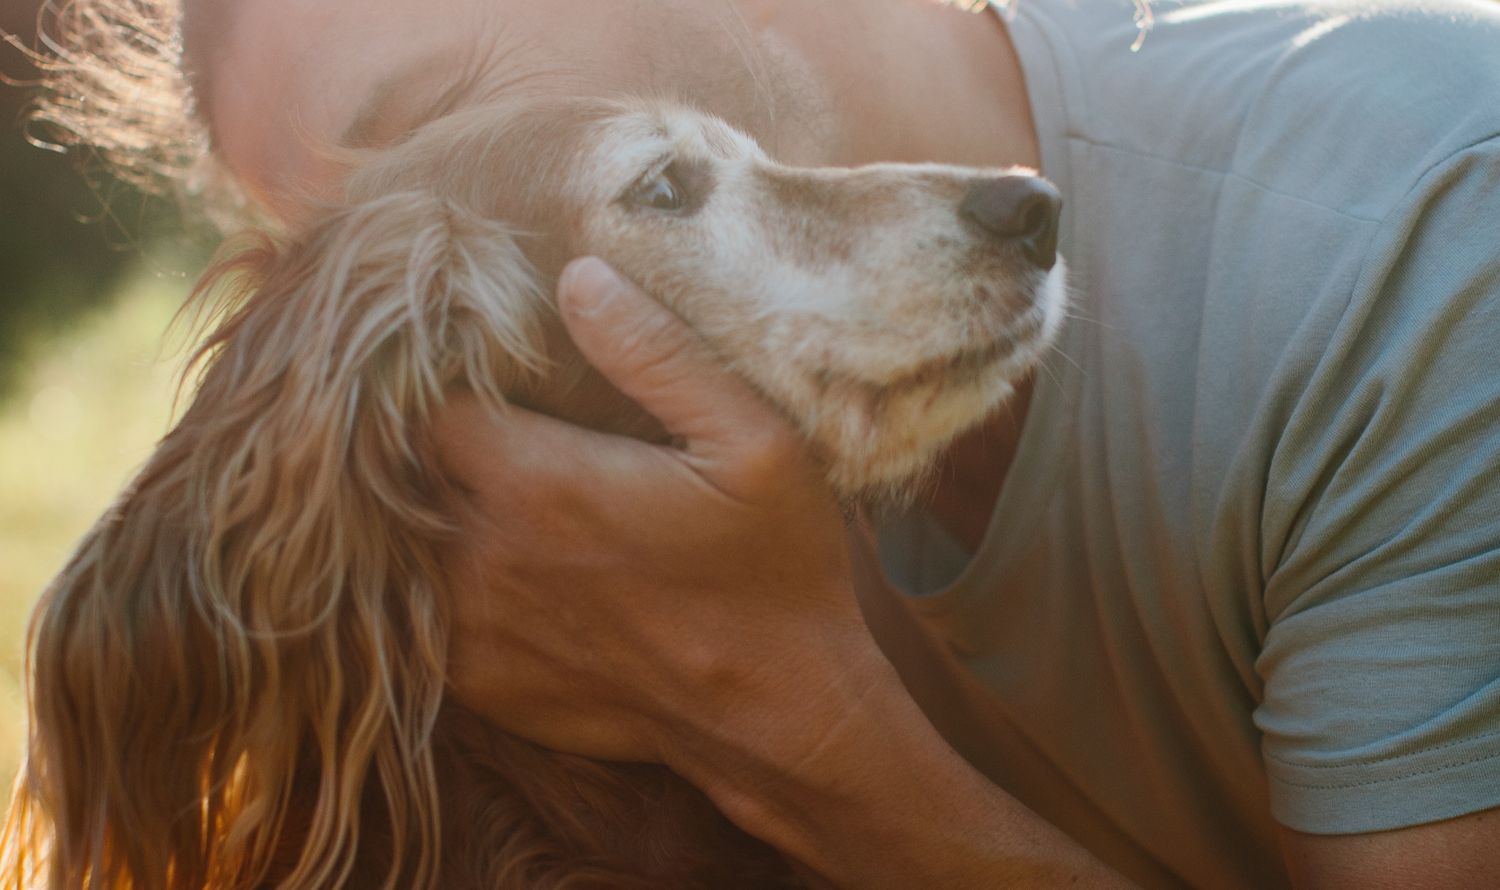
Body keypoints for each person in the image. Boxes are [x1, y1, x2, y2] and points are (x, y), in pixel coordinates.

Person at [23, 0, 1500, 885]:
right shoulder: (523, 545)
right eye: (327, 240)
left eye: (440, 118)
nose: (439, 228)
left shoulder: (1418, 235)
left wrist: (808, 730)